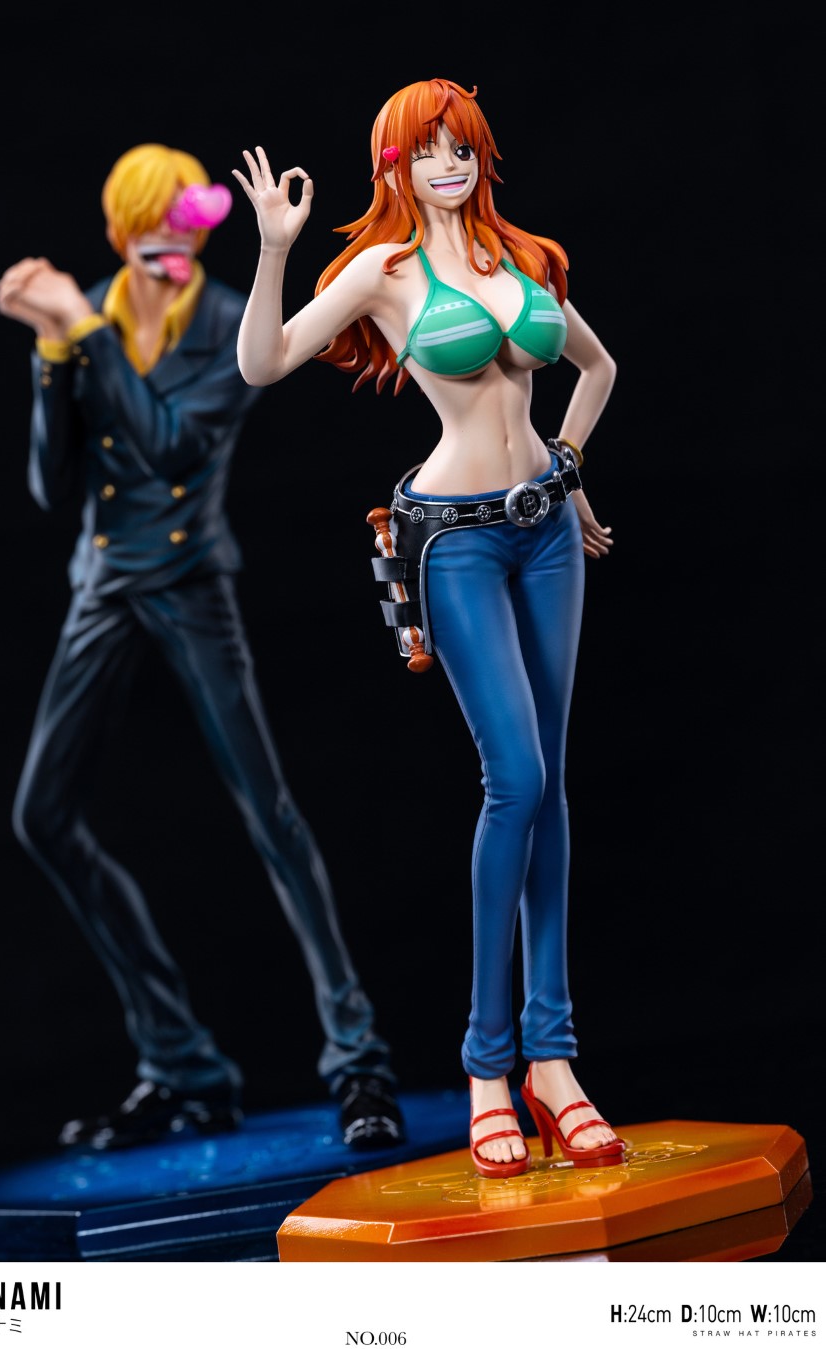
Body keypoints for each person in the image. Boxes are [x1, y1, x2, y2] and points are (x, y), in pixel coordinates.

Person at [232, 78, 626, 1177]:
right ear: (393, 166)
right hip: (453, 541)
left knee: (551, 784)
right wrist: (273, 250)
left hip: (546, 532)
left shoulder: (524, 258)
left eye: (462, 147)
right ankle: (489, 1065)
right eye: (426, 150)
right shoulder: (385, 271)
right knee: (515, 777)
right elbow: (262, 363)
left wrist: (572, 476)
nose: (447, 165)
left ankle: (555, 1061)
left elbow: (596, 367)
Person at [0, 142, 404, 1152]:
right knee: (41, 813)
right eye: (154, 232)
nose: (173, 249)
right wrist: (53, 353)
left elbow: (174, 442)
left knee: (270, 813)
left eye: (188, 229)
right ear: (122, 232)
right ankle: (182, 1066)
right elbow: (52, 485)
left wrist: (81, 328)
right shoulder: (88, 310)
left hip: (189, 581)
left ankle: (359, 1061)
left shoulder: (230, 323)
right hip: (104, 580)